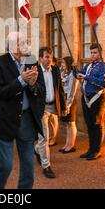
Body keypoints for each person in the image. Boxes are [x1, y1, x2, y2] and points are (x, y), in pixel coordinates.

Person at [0, 32, 45, 189]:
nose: (26, 43)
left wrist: (33, 84)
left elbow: (41, 90)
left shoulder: (31, 60)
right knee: (6, 165)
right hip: (5, 120)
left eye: (26, 40)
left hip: (26, 119)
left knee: (28, 165)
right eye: (22, 42)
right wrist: (21, 80)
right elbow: (0, 93)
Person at [74, 43, 105, 161]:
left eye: (95, 52)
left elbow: (104, 83)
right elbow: (79, 74)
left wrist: (87, 77)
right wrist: (75, 70)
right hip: (86, 98)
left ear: (100, 53)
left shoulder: (104, 67)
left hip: (97, 98)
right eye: (91, 52)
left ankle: (97, 150)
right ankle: (90, 149)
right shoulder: (89, 66)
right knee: (89, 124)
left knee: (97, 124)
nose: (93, 55)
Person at [34, 47, 64, 179]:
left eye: (50, 57)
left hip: (53, 106)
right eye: (46, 57)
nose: (49, 59)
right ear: (40, 58)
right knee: (44, 138)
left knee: (52, 134)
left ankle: (37, 150)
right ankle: (46, 166)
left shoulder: (55, 70)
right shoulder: (36, 71)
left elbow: (60, 88)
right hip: (42, 108)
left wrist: (62, 106)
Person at [59, 56, 78, 154]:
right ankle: (67, 144)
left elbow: (72, 90)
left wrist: (68, 104)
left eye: (63, 63)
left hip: (70, 99)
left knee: (71, 122)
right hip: (64, 98)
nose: (62, 65)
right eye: (61, 63)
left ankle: (71, 145)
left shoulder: (72, 75)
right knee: (67, 123)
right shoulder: (63, 73)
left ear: (68, 64)